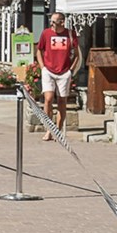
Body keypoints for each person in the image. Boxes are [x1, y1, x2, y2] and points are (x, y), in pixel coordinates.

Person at [35, 11, 83, 140]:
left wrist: (71, 71)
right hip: (49, 70)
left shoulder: (70, 34)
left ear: (62, 22)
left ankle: (58, 130)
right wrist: (42, 67)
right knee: (49, 99)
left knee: (62, 101)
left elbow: (77, 55)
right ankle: (49, 129)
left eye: (54, 22)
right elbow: (39, 50)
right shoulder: (46, 33)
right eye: (50, 21)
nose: (51, 24)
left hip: (64, 72)